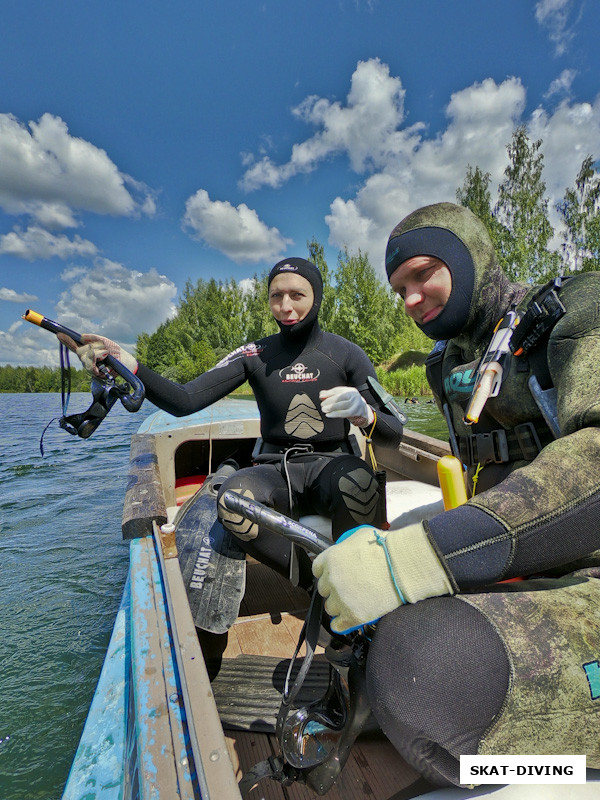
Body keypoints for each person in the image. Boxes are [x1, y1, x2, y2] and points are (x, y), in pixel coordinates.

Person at [311, 202, 600, 786]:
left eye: (424, 274)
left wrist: (430, 555)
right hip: (516, 558)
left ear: (469, 259)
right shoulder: (447, 364)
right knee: (350, 607)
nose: (412, 298)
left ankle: (563, 768)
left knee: (428, 673)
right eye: (400, 289)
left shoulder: (580, 311)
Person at [60, 257, 403, 588]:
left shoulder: (347, 354)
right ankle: (317, 584)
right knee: (232, 501)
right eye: (276, 295)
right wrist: (128, 364)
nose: (285, 306)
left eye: (297, 295)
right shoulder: (252, 354)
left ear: (317, 298)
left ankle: (358, 585)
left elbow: (394, 434)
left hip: (333, 466)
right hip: (276, 470)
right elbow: (185, 401)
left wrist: (366, 414)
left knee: (360, 482)